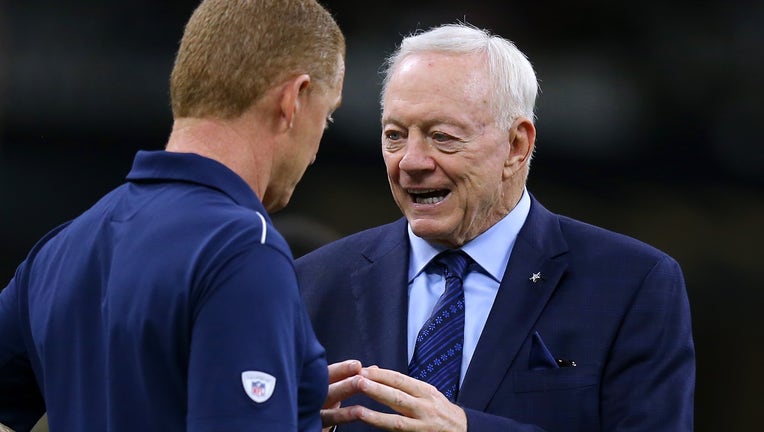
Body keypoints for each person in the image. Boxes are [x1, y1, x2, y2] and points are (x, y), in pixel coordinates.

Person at [296, 23, 694, 431]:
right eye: (394, 135)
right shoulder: (311, 283)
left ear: (516, 145)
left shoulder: (631, 284)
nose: (411, 162)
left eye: (442, 136)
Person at [0, 0, 344, 430]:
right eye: (327, 118)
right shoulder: (242, 248)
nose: (316, 152)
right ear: (293, 100)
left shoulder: (60, 249)